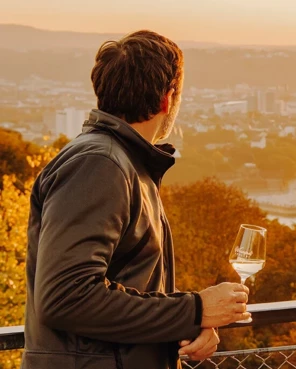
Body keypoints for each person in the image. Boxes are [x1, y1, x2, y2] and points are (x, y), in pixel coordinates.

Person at [22, 30, 250, 369]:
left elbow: (117, 292)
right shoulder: (100, 164)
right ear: (167, 99)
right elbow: (67, 297)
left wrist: (185, 325)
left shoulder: (121, 162)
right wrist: (196, 309)